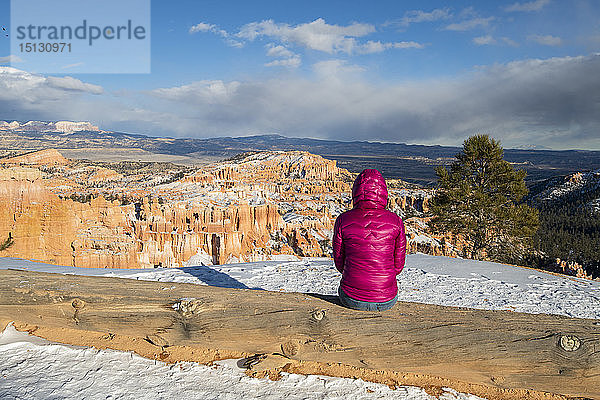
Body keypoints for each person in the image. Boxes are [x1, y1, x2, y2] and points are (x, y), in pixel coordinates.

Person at [333, 169, 406, 311]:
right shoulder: (396, 221)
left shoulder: (343, 220)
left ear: (355, 192)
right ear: (383, 192)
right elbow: (398, 266)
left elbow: (339, 263)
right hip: (386, 299)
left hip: (351, 297)